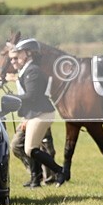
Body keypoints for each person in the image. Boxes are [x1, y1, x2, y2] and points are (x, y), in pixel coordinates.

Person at [7, 38, 66, 187]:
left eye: (19, 53)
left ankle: (60, 171)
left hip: (41, 114)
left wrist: (12, 98)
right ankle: (43, 176)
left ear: (29, 53)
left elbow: (31, 96)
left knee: (30, 149)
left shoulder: (32, 71)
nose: (17, 56)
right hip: (35, 114)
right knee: (29, 148)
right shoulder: (28, 70)